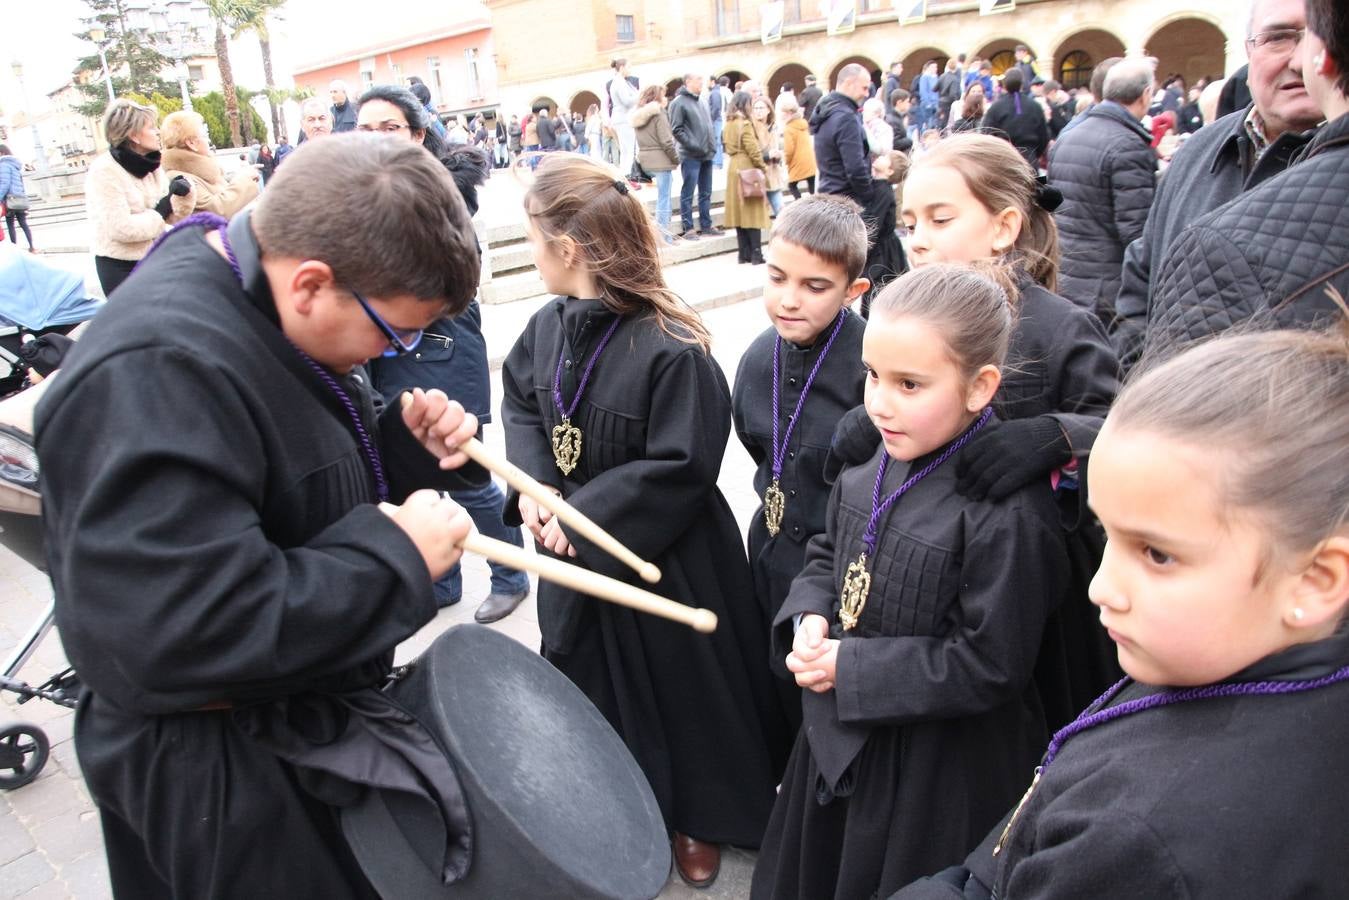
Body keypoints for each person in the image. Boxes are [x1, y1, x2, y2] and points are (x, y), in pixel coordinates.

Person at [37, 133, 484, 898]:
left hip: (289, 717)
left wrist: (399, 450)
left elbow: (277, 472)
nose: (400, 351)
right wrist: (395, 558)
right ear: (310, 283)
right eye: (394, 330)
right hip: (221, 771)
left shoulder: (259, 301)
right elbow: (184, 627)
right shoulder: (155, 369)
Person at [895, 328, 1349, 900]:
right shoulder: (1220, 663)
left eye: (1157, 554)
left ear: (1316, 580)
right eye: (1105, 534)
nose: (1101, 587)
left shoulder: (1141, 842)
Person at [500, 155, 788, 889]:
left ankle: (697, 814)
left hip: (666, 550)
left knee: (682, 697)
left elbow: (682, 464)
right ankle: (616, 810)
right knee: (589, 688)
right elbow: (525, 409)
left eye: (535, 239)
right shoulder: (543, 326)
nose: (530, 253)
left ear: (567, 248)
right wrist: (535, 486)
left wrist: (584, 514)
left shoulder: (672, 344)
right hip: (572, 550)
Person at [751, 263, 1071, 899]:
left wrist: (853, 669)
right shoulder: (873, 456)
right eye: (872, 376)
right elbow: (828, 550)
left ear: (980, 387)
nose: (879, 402)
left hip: (935, 773)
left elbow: (991, 663)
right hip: (838, 739)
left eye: (909, 384)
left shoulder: (1008, 513)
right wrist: (812, 613)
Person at [836, 133, 1123, 731]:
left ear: (1004, 226)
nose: (917, 238)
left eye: (941, 219)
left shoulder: (1059, 325)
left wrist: (1055, 435)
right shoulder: (901, 318)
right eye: (909, 221)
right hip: (925, 576)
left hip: (1032, 584)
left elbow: (1122, 427)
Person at [368, 142, 533, 623]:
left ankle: (511, 576)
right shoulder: (388, 196)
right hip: (396, 364)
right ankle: (442, 580)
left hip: (445, 359)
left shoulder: (439, 210)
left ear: (419, 134)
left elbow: (448, 292)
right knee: (420, 483)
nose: (377, 135)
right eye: (371, 127)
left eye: (389, 128)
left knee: (469, 482)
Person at [1111, 0, 1324, 372]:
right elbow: (1141, 283)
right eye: (1279, 38)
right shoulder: (1199, 150)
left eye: (1320, 36)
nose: (1300, 59)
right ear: (1250, 51)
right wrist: (1135, 388)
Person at [732, 195, 871, 740]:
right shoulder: (756, 358)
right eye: (777, 278)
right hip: (769, 554)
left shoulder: (871, 366)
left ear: (853, 291)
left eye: (815, 287)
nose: (789, 300)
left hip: (837, 572)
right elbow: (755, 444)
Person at [1046, 57, 1157, 323]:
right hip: (1106, 288)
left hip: (1069, 276)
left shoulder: (1070, 134)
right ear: (1146, 95)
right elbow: (1136, 230)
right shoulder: (1127, 144)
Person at [86, 99, 196, 297]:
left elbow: (173, 216)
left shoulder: (150, 165)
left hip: (155, 258)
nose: (157, 132)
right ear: (133, 134)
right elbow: (120, 228)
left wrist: (183, 194)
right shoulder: (104, 170)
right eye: (151, 127)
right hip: (121, 267)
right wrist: (159, 213)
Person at [161, 110, 260, 219]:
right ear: (191, 143)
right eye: (204, 135)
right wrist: (244, 179)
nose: (208, 140)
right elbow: (217, 211)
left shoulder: (202, 172)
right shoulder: (180, 180)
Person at [812, 63, 874, 207]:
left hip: (829, 195)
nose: (866, 94)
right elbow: (855, 167)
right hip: (847, 200)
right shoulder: (846, 117)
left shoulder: (827, 111)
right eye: (864, 88)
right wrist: (869, 195)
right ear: (848, 83)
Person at [668, 73, 718, 240]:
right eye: (699, 80)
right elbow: (677, 129)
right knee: (688, 191)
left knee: (706, 191)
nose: (702, 83)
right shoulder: (678, 102)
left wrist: (712, 145)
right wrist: (694, 145)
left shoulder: (702, 100)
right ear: (688, 81)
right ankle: (688, 227)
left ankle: (706, 224)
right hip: (691, 154)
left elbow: (708, 125)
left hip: (707, 153)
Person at [858, 150, 908, 318]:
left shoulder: (883, 191)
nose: (880, 157)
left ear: (890, 171)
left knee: (878, 288)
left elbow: (874, 223)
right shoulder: (879, 188)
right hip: (884, 247)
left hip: (884, 252)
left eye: (885, 158)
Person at [724, 90, 771, 265]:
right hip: (747, 168)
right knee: (752, 211)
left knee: (739, 213)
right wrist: (762, 167)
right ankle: (756, 254)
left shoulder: (728, 123)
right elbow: (752, 149)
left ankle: (743, 253)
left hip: (733, 168)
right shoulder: (744, 124)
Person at [632, 84, 680, 243]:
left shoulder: (639, 115)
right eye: (664, 95)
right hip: (661, 161)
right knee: (664, 200)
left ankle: (661, 236)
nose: (666, 99)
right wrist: (676, 158)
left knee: (661, 199)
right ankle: (665, 237)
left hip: (645, 160)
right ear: (658, 97)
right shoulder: (658, 113)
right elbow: (667, 141)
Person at [981, 68, 1050, 169]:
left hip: (1004, 160)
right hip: (1029, 160)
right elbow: (1044, 137)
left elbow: (986, 134)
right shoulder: (1035, 106)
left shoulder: (996, 107)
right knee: (1034, 184)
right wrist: (1035, 154)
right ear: (1022, 84)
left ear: (1005, 84)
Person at [357, 85, 446, 160]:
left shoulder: (446, 179)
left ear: (418, 135)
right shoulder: (350, 178)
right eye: (364, 131)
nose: (374, 140)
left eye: (389, 129)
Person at [753, 95, 787, 218]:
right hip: (758, 175)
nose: (758, 111)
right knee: (759, 217)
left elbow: (778, 147)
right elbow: (751, 153)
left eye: (761, 108)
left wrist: (779, 155)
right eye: (755, 108)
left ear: (768, 110)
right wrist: (768, 155)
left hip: (773, 175)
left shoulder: (773, 127)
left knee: (782, 212)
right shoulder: (751, 128)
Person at [608, 58, 640, 183]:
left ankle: (627, 177)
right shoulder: (619, 82)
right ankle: (628, 177)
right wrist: (640, 96)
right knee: (630, 150)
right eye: (629, 67)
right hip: (624, 119)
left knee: (627, 150)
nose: (630, 70)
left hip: (622, 119)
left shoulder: (619, 82)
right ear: (621, 68)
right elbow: (626, 101)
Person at [0, 145, 35, 252]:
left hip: (10, 199)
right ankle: (32, 247)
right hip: (19, 198)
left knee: (11, 224)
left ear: (2, 153)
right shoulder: (15, 165)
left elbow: (4, 183)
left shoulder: (3, 165)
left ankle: (14, 249)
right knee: (23, 223)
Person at [781, 95, 817, 200]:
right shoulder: (803, 124)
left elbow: (789, 149)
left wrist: (786, 161)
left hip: (797, 161)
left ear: (789, 113)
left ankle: (801, 204)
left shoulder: (789, 128)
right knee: (812, 185)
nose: (782, 115)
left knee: (792, 185)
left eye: (783, 113)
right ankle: (814, 205)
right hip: (810, 160)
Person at [937, 59, 963, 128]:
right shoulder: (955, 79)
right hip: (949, 103)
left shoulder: (942, 76)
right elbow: (953, 94)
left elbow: (935, 88)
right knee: (947, 122)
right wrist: (956, 101)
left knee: (941, 122)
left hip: (941, 101)